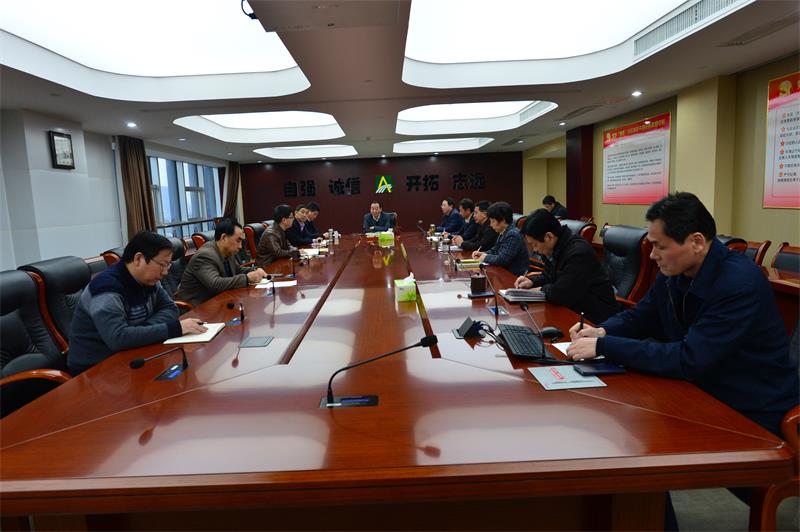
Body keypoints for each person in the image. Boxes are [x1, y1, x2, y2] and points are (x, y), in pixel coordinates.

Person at [567, 192, 798, 436]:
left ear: (696, 242)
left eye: (660, 246)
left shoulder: (739, 285)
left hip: (750, 412)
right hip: (699, 392)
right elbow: (641, 316)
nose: (652, 255)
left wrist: (605, 346)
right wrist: (602, 331)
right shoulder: (675, 272)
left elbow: (690, 359)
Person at [68, 231, 207, 375]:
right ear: (138, 259)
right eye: (162, 264)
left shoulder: (149, 280)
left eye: (168, 265)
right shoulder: (106, 289)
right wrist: (174, 328)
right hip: (96, 369)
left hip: (134, 352)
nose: (165, 272)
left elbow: (171, 309)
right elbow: (118, 338)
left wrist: (139, 332)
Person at [514, 209, 619, 324]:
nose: (534, 249)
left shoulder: (578, 253)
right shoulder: (555, 247)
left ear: (549, 237)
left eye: (535, 244)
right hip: (572, 310)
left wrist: (541, 289)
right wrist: (532, 281)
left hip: (594, 319)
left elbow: (561, 294)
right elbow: (550, 276)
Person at [175, 218, 267, 307]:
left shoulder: (227, 251)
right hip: (197, 308)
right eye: (238, 240)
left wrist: (255, 270)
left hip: (218, 301)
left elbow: (237, 270)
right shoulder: (204, 256)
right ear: (224, 238)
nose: (240, 246)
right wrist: (247, 278)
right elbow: (215, 284)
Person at [471, 201, 530, 276]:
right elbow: (495, 250)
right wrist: (483, 253)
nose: (491, 225)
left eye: (493, 221)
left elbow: (503, 260)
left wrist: (485, 257)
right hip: (503, 272)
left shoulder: (513, 234)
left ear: (503, 220)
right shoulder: (504, 231)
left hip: (513, 276)